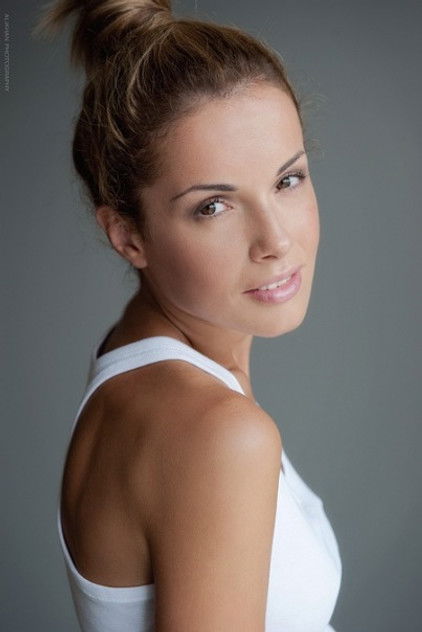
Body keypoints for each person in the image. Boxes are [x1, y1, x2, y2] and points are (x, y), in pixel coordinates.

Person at [33, 1, 342, 630]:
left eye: (287, 180)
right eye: (214, 206)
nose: (276, 240)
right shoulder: (216, 432)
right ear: (128, 237)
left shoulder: (138, 365)